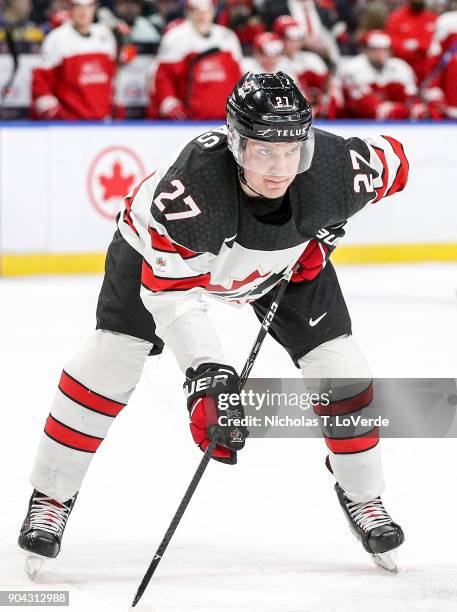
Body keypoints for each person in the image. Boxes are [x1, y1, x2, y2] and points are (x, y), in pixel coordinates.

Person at [19, 72, 407, 575]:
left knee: (343, 372)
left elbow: (395, 157)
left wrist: (330, 225)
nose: (280, 168)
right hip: (159, 262)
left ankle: (364, 496)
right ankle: (51, 496)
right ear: (234, 143)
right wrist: (210, 378)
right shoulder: (190, 192)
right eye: (264, 152)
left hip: (279, 267)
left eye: (292, 152)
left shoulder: (337, 168)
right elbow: (177, 300)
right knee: (110, 361)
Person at [147, 0, 243, 120]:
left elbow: (238, 77)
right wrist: (169, 103)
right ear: (188, 11)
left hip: (225, 119)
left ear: (214, 10)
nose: (202, 16)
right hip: (189, 120)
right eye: (196, 10)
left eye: (206, 10)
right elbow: (163, 76)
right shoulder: (175, 37)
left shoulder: (228, 37)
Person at [30, 0, 121, 120]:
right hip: (70, 126)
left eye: (88, 7)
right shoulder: (56, 39)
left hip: (102, 122)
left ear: (94, 7)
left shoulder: (105, 35)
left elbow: (111, 80)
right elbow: (40, 84)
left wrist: (115, 111)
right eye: (78, 7)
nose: (83, 12)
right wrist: (59, 116)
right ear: (70, 8)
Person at [339, 29, 430, 119]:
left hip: (394, 121)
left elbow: (410, 97)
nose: (379, 54)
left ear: (390, 51)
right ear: (366, 50)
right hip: (356, 124)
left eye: (384, 50)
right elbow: (361, 105)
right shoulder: (353, 67)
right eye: (374, 49)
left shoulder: (401, 67)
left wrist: (417, 109)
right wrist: (393, 111)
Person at [386, 0, 437, 84]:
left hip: (427, 70)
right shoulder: (396, 17)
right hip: (402, 67)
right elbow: (391, 41)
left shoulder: (432, 18)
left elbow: (436, 43)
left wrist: (419, 45)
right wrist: (404, 46)